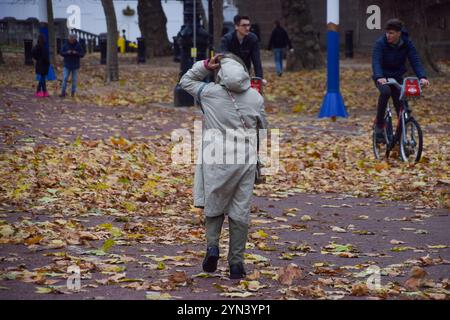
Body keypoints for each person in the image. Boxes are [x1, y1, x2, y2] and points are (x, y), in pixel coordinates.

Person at [179, 53, 268, 279]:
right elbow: (263, 128)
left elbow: (185, 82)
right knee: (240, 209)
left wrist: (205, 66)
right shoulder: (256, 97)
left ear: (221, 71)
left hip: (215, 156)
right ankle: (236, 263)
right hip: (244, 159)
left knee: (214, 202)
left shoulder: (210, 93)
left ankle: (212, 248)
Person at [372, 18, 429, 142]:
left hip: (397, 78)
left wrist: (422, 77)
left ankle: (399, 140)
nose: (388, 35)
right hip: (383, 78)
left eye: (391, 33)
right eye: (387, 32)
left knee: (402, 108)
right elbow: (376, 61)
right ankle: (379, 125)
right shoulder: (380, 43)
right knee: (386, 92)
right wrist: (379, 76)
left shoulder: (407, 42)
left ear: (399, 33)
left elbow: (415, 59)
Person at [221, 15, 264, 81]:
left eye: (248, 25)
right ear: (236, 26)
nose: (247, 28)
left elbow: (256, 61)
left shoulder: (252, 39)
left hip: (245, 72)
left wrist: (260, 78)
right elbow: (224, 59)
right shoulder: (227, 39)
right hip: (230, 73)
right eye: (244, 25)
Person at [60, 33, 85, 98]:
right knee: (65, 78)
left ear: (75, 39)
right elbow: (61, 53)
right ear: (69, 38)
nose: (71, 40)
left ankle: (73, 92)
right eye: (70, 39)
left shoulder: (78, 45)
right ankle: (63, 92)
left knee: (74, 80)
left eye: (72, 39)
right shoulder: (65, 44)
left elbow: (82, 54)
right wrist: (66, 52)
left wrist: (76, 53)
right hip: (67, 64)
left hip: (75, 65)